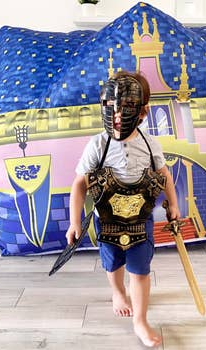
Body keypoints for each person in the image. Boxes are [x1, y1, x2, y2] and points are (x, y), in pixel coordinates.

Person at [66, 70, 180, 348]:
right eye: (111, 107)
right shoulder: (97, 144)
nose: (118, 114)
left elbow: (163, 175)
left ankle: (140, 320)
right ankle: (117, 292)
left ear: (142, 112)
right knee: (113, 262)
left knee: (140, 270)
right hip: (107, 220)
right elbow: (79, 184)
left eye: (127, 107)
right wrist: (75, 221)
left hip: (141, 220)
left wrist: (174, 204)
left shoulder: (150, 144)